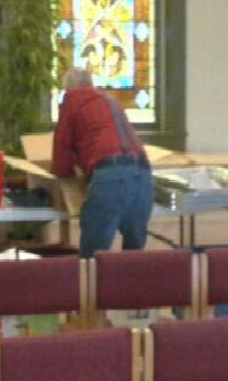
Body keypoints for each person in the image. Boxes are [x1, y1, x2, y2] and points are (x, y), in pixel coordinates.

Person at [51, 68, 154, 258]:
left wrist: (63, 179)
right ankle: (128, 288)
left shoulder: (72, 100)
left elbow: (62, 148)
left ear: (68, 88)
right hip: (143, 176)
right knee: (134, 257)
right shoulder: (111, 101)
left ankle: (93, 288)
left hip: (110, 177)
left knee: (92, 256)